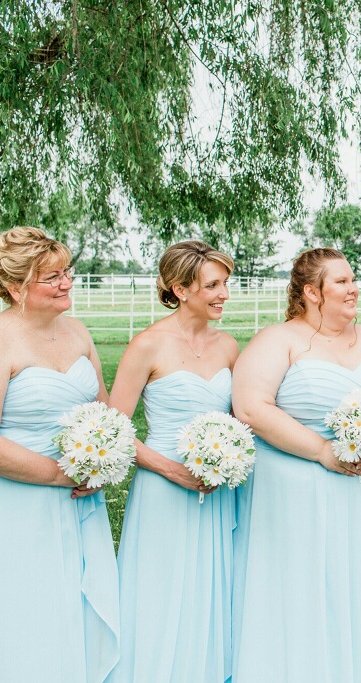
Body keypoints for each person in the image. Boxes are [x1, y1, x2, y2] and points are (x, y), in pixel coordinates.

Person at [230, 248, 361, 682]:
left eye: (353, 279)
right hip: (298, 487)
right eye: (342, 282)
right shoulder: (278, 339)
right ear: (312, 292)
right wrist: (322, 452)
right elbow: (251, 408)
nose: (354, 289)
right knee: (307, 586)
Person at [0, 226, 119, 681]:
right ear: (16, 288)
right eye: (52, 277)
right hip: (15, 497)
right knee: (23, 604)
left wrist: (102, 459)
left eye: (67, 272)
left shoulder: (77, 332)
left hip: (80, 496)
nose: (67, 283)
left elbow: (105, 410)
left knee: (73, 601)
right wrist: (61, 475)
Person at [108, 241, 239, 683]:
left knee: (212, 586)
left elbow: (242, 419)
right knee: (160, 587)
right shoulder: (147, 345)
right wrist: (170, 469)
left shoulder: (229, 347)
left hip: (218, 488)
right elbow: (114, 428)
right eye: (213, 285)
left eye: (226, 283)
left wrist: (229, 457)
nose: (224, 294)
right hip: (163, 487)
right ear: (181, 289)